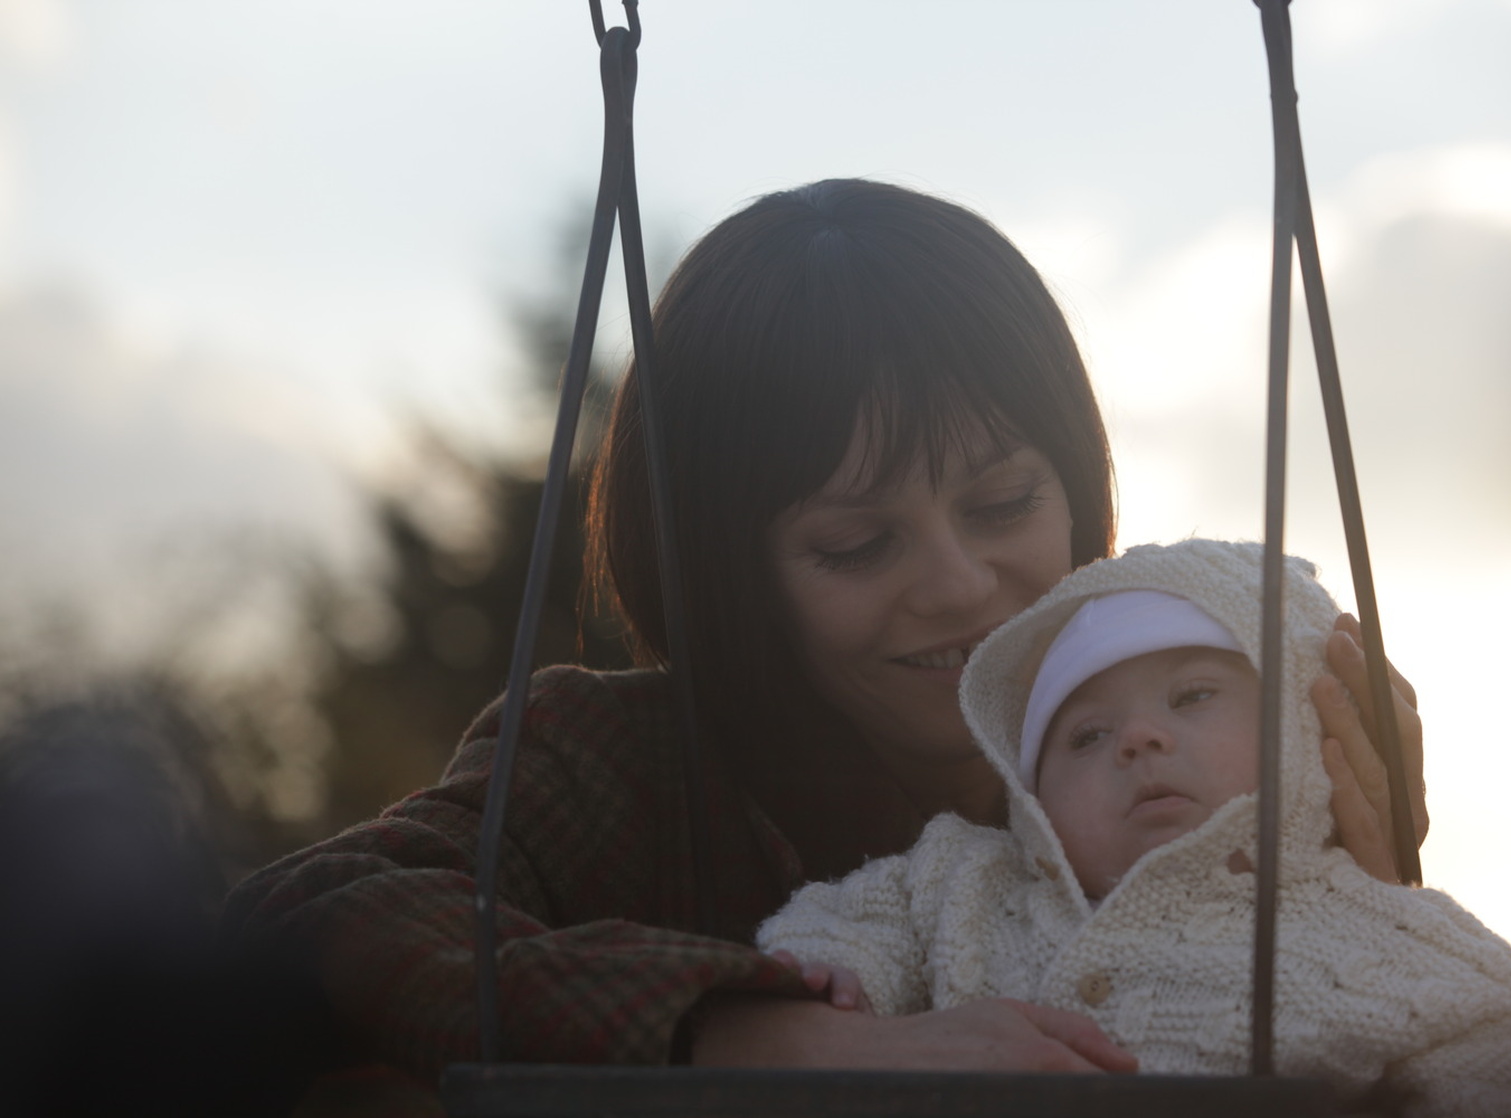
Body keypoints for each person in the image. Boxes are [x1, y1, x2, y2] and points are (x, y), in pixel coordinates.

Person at [221, 179, 1426, 1085]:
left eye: (1003, 504)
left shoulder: (1191, 743)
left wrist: (1361, 907)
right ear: (726, 570)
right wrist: (762, 1033)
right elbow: (306, 922)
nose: (958, 584)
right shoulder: (614, 763)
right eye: (857, 544)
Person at [758, 538, 1511, 1115]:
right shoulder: (959, 879)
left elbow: (1503, 1074)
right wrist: (836, 977)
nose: (1138, 738)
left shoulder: (1388, 936)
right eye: (1083, 737)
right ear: (1029, 791)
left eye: (1193, 695)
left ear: (1305, 724)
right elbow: (843, 922)